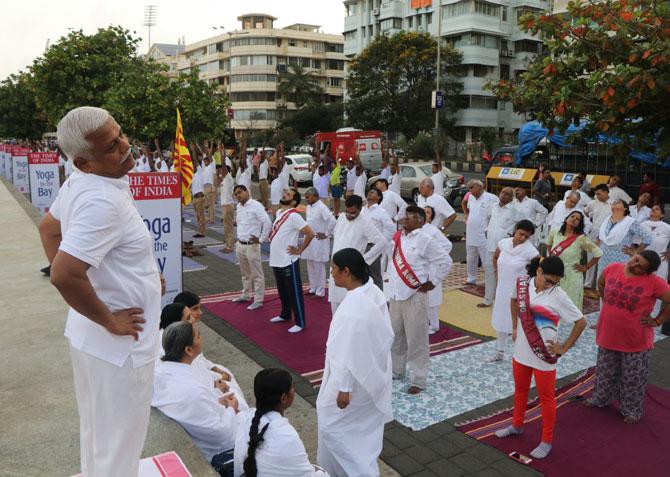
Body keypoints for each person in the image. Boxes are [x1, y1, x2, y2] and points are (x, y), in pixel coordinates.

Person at [38, 107, 162, 476]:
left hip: (91, 339)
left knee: (98, 437)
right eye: (111, 146)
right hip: (119, 348)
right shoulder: (101, 201)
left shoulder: (83, 181)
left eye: (120, 133)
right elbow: (63, 274)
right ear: (85, 161)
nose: (125, 146)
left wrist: (144, 279)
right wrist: (110, 319)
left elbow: (49, 231)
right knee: (119, 448)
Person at [495, 256, 587, 459]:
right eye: (548, 280)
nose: (550, 285)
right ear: (538, 272)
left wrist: (564, 347)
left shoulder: (559, 296)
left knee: (546, 398)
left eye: (555, 282)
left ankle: (546, 441)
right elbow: (512, 300)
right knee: (520, 390)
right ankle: (517, 425)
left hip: (544, 356)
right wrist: (513, 326)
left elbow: (581, 322)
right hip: (521, 350)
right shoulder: (521, 284)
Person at [317, 248, 394, 476]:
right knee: (359, 434)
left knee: (333, 428)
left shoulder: (354, 308)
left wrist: (344, 389)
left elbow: (350, 352)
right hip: (370, 375)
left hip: (352, 382)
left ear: (346, 271)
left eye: (333, 269)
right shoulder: (371, 291)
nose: (330, 273)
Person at [587, 251, 670, 423]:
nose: (634, 264)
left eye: (641, 266)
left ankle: (631, 410)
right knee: (604, 372)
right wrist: (607, 302)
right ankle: (601, 399)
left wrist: (658, 320)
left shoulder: (654, 282)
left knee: (633, 378)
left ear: (648, 272)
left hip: (635, 339)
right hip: (608, 334)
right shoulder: (612, 268)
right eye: (636, 259)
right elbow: (601, 284)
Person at [152, 321, 239, 476]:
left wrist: (217, 400)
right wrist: (231, 408)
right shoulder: (192, 389)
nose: (202, 337)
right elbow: (220, 434)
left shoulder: (161, 371)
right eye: (198, 335)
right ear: (188, 350)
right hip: (214, 450)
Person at [388, 206, 451, 394]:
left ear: (421, 221)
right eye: (406, 215)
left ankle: (419, 379)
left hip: (415, 295)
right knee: (396, 336)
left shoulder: (425, 240)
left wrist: (433, 282)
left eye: (412, 216)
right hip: (396, 295)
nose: (407, 219)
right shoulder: (398, 237)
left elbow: (445, 262)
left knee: (417, 339)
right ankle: (397, 370)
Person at [234, 369, 327, 477]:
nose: (294, 390)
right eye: (292, 387)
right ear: (283, 398)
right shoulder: (287, 436)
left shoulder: (247, 417)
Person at [488, 220, 539, 362]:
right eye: (521, 234)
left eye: (526, 236)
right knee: (501, 317)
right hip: (503, 287)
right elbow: (495, 256)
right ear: (516, 229)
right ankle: (500, 350)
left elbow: (538, 268)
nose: (522, 238)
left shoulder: (530, 250)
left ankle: (521, 354)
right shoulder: (504, 243)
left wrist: (529, 284)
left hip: (518, 290)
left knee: (519, 320)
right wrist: (496, 272)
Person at [328, 195, 385, 314]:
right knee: (335, 304)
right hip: (336, 266)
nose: (349, 215)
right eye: (347, 211)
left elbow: (381, 242)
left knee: (349, 306)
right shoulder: (342, 217)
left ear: (360, 209)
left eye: (353, 213)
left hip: (350, 271)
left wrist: (363, 260)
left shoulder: (365, 222)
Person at [269, 188, 315, 333]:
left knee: (294, 292)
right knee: (282, 290)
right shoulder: (279, 213)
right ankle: (285, 314)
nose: (284, 195)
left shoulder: (294, 216)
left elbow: (310, 233)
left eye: (288, 194)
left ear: (294, 201)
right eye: (284, 193)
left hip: (288, 260)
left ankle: (300, 322)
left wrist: (300, 250)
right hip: (276, 259)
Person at [546, 211, 602, 310]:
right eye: (572, 216)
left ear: (579, 224)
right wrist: (552, 258)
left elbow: (598, 253)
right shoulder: (555, 231)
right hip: (554, 274)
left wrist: (586, 267)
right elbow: (548, 243)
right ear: (566, 218)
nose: (574, 219)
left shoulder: (581, 238)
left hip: (572, 277)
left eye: (577, 219)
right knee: (553, 306)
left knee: (570, 307)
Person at [232, 185, 272, 310]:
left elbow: (267, 222)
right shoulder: (239, 207)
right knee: (245, 273)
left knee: (256, 274)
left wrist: (261, 239)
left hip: (252, 245)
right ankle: (246, 294)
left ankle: (258, 300)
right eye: (236, 194)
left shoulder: (256, 205)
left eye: (240, 192)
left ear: (247, 192)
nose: (238, 195)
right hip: (240, 244)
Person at [478, 187, 519, 308]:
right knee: (489, 273)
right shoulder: (493, 206)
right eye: (503, 193)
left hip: (505, 248)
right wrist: (486, 229)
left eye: (508, 194)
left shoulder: (514, 210)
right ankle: (488, 300)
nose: (504, 195)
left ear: (511, 198)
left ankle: (505, 301)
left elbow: (524, 224)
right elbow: (485, 218)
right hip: (490, 245)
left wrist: (513, 235)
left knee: (504, 275)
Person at [596, 199, 652, 278]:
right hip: (603, 258)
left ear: (625, 208)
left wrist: (635, 253)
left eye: (618, 202)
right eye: (613, 202)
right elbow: (599, 236)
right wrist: (598, 248)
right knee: (602, 283)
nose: (615, 203)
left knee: (617, 283)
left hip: (620, 258)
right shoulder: (606, 219)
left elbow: (647, 238)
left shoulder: (630, 222)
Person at [423, 206, 454, 334]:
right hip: (420, 268)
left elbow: (447, 245)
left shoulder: (433, 230)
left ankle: (434, 325)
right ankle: (425, 322)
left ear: (431, 217)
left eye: (428, 212)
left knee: (432, 297)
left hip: (431, 268)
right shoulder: (416, 229)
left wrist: (436, 258)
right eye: (423, 211)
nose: (425, 213)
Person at [464, 179, 498, 285]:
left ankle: (489, 280)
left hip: (484, 234)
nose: (470, 190)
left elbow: (496, 215)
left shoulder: (491, 198)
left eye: (472, 187)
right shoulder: (470, 197)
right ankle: (471, 278)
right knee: (470, 257)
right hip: (471, 233)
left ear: (480, 186)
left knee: (486, 259)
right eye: (469, 188)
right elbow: (468, 209)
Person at [362, 187, 395, 289]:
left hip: (372, 246)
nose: (369, 193)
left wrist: (381, 242)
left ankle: (379, 301)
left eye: (373, 192)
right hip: (360, 245)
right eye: (369, 192)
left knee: (375, 276)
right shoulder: (362, 210)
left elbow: (391, 229)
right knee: (362, 276)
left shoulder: (381, 212)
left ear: (379, 197)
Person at [641, 206, 670, 316]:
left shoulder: (666, 227)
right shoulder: (643, 225)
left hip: (661, 261)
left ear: (662, 215)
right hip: (643, 261)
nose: (653, 210)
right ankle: (640, 310)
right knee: (642, 284)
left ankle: (654, 314)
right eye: (652, 208)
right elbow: (635, 241)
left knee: (658, 286)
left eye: (657, 209)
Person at [584, 184, 612, 287]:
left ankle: (599, 285)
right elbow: (585, 212)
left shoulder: (613, 204)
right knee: (590, 258)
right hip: (593, 233)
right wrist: (588, 224)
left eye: (599, 194)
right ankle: (587, 283)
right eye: (596, 194)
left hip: (606, 235)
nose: (597, 196)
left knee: (603, 260)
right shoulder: (593, 203)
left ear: (606, 192)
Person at [220, 164, 236, 253]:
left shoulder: (228, 178)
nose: (221, 171)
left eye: (223, 170)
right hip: (224, 205)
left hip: (228, 205)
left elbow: (223, 165)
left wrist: (222, 152)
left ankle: (230, 246)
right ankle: (228, 244)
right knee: (226, 227)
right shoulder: (224, 179)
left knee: (229, 226)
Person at [191, 156, 207, 238]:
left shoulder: (200, 172)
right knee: (198, 216)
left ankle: (202, 232)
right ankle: (200, 230)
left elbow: (196, 161)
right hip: (194, 198)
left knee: (201, 216)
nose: (193, 166)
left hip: (200, 198)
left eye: (193, 165)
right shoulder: (192, 175)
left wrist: (193, 150)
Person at [203, 155, 217, 224]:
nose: (205, 163)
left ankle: (211, 219)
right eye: (204, 161)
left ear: (209, 161)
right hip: (205, 186)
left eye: (206, 161)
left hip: (209, 186)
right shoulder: (205, 169)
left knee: (211, 204)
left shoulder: (211, 166)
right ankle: (208, 218)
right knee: (208, 204)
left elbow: (210, 155)